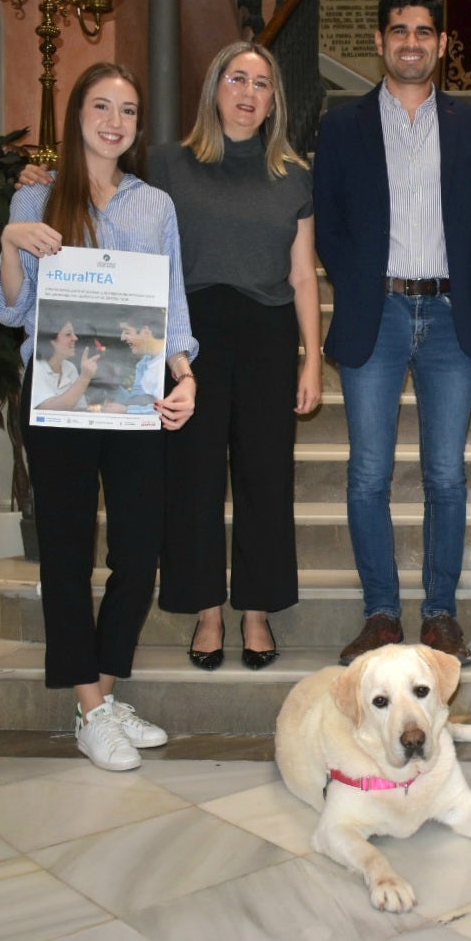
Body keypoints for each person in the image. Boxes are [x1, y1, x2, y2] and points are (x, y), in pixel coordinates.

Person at [0, 62, 198, 771]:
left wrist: (186, 375)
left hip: (135, 396)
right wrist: (11, 244)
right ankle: (90, 708)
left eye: (129, 111)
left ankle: (101, 700)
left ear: (139, 125)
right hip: (57, 397)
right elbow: (11, 308)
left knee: (139, 553)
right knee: (70, 554)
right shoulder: (38, 197)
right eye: (102, 106)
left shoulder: (154, 206)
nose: (115, 121)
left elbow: (171, 305)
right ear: (78, 113)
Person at [313, 0, 471, 666]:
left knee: (446, 474)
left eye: (423, 31)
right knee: (368, 474)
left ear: (442, 44)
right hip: (375, 314)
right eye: (398, 31)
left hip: (449, 315)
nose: (411, 42)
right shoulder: (340, 125)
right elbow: (328, 222)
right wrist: (360, 283)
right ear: (381, 43)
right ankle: (382, 613)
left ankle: (440, 614)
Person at [148, 42, 320, 672]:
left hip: (269, 333)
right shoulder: (168, 163)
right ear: (215, 88)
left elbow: (303, 276)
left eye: (263, 83)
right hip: (191, 338)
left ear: (275, 100)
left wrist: (310, 359)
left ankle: (255, 610)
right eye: (237, 79)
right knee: (191, 477)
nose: (249, 92)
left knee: (265, 477)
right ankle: (206, 611)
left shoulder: (293, 175)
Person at [34, 317, 99, 411]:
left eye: (74, 334)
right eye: (68, 334)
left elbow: (81, 409)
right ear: (51, 340)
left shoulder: (70, 368)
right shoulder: (37, 367)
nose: (75, 338)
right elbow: (49, 409)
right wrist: (85, 377)